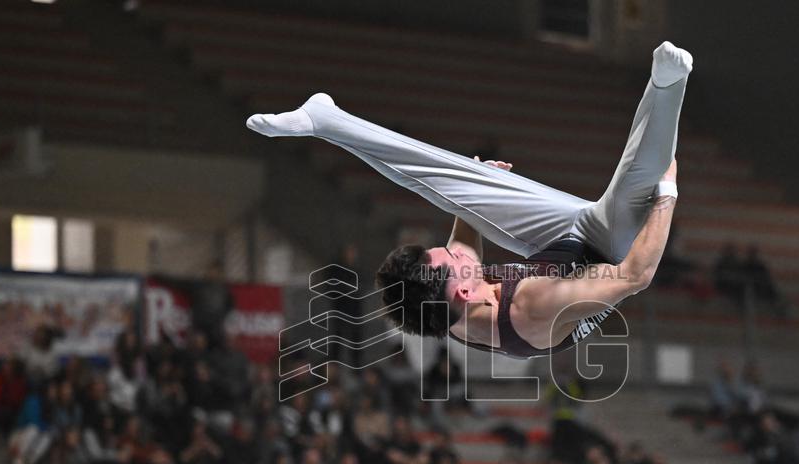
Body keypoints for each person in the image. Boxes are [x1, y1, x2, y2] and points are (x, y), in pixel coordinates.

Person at [248, 42, 692, 358]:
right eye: (450, 259)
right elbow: (637, 274)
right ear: (465, 288)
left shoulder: (443, 309)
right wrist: (667, 194)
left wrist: (474, 195)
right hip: (605, 252)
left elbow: (456, 255)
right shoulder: (532, 306)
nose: (453, 249)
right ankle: (668, 83)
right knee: (643, 182)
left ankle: (328, 119)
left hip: (552, 244)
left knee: (455, 189)